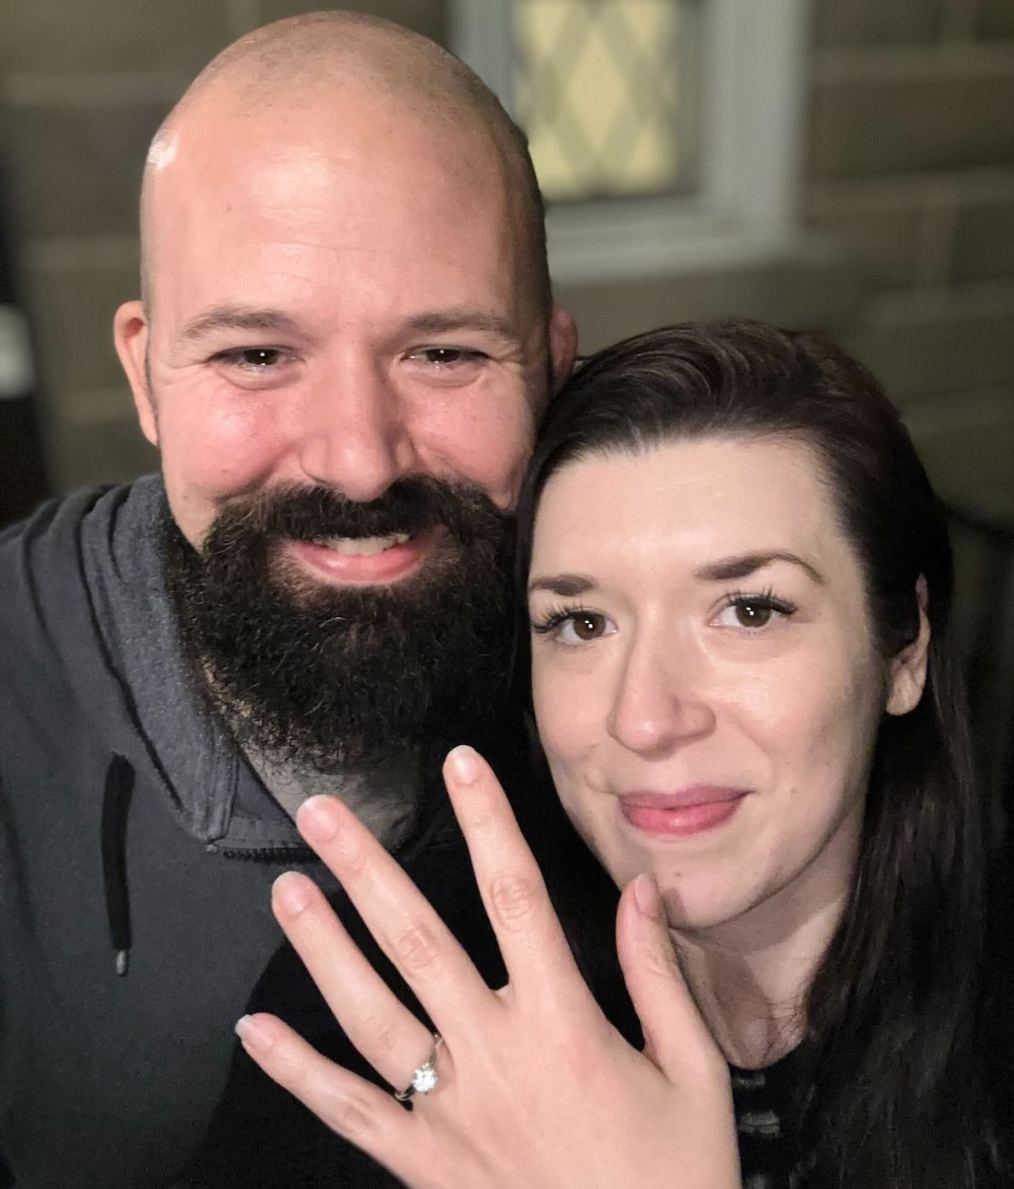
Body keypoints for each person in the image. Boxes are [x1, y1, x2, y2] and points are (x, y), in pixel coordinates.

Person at [0, 12, 616, 1188]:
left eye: (444, 353)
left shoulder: (642, 679)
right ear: (144, 374)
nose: (358, 461)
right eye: (256, 354)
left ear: (553, 366)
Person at [239, 320, 1014, 1188]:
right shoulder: (382, 1006)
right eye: (581, 623)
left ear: (904, 649)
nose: (646, 718)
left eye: (751, 610)